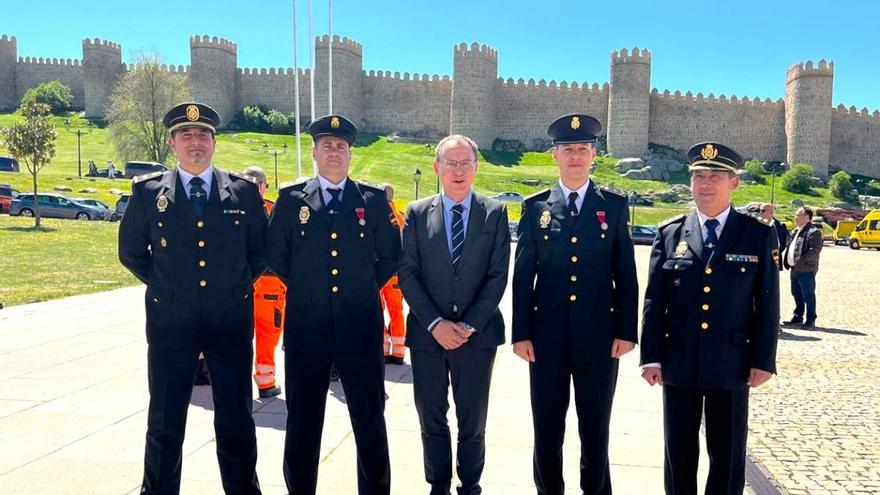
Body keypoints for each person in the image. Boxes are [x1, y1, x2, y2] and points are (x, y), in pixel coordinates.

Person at [118, 102, 266, 495]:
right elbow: (131, 252)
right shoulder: (148, 192)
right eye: (187, 135)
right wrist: (168, 285)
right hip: (171, 324)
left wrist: (232, 285)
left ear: (214, 143)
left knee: (235, 419)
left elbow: (261, 252)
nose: (195, 142)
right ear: (173, 143)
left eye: (203, 135)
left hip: (229, 321)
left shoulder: (243, 192)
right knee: (165, 421)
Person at [266, 114, 401, 495]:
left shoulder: (372, 201)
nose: (334, 152)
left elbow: (391, 256)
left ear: (350, 154)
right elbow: (277, 255)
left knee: (370, 422)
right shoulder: (293, 200)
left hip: (360, 327)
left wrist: (360, 287)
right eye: (327, 145)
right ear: (314, 152)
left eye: (341, 146)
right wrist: (312, 288)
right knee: (303, 425)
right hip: (307, 330)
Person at [640, 142, 780, 495]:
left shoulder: (757, 234)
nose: (705, 183)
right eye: (699, 176)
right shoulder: (670, 233)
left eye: (715, 176)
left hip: (731, 362)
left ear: (734, 182)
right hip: (679, 361)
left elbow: (766, 303)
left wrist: (763, 360)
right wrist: (651, 356)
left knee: (728, 454)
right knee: (679, 452)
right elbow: (655, 300)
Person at [512, 114, 639, 495]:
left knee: (595, 432)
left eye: (582, 149)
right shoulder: (536, 208)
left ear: (594, 154)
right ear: (555, 155)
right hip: (546, 340)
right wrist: (521, 334)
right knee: (547, 431)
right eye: (568, 149)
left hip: (599, 341)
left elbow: (626, 275)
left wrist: (626, 332)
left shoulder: (613, 206)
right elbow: (522, 277)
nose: (575, 156)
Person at [399, 134, 511, 495]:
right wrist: (435, 323)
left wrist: (466, 325)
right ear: (437, 168)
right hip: (427, 336)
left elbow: (497, 276)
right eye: (451, 163)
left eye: (465, 163)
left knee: (472, 419)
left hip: (476, 338)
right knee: (430, 416)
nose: (458, 170)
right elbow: (408, 274)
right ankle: (438, 483)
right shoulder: (417, 213)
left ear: (476, 168)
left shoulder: (495, 213)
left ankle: (470, 483)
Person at [242, 165, 287, 398]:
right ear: (261, 186)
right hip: (269, 283)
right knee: (267, 335)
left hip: (238, 284)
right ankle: (266, 381)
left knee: (237, 337)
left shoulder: (230, 209)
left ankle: (235, 384)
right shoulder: (271, 210)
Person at [782, 206, 823, 328]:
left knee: (808, 294)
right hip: (794, 268)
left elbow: (814, 251)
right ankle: (798, 316)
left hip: (806, 269)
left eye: (798, 215)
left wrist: (800, 261)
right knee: (796, 293)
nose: (796, 217)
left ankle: (811, 319)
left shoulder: (813, 231)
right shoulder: (796, 230)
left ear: (807, 217)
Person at [381, 183, 407, 365]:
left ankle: (382, 348)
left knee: (377, 311)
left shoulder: (377, 215)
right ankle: (399, 351)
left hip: (380, 272)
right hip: (398, 273)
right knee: (396, 311)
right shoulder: (402, 217)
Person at [760, 203, 789, 271]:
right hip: (759, 258)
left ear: (771, 212)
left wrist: (770, 254)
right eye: (760, 210)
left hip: (774, 258)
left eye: (763, 211)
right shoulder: (757, 223)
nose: (760, 212)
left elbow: (782, 244)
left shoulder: (780, 226)